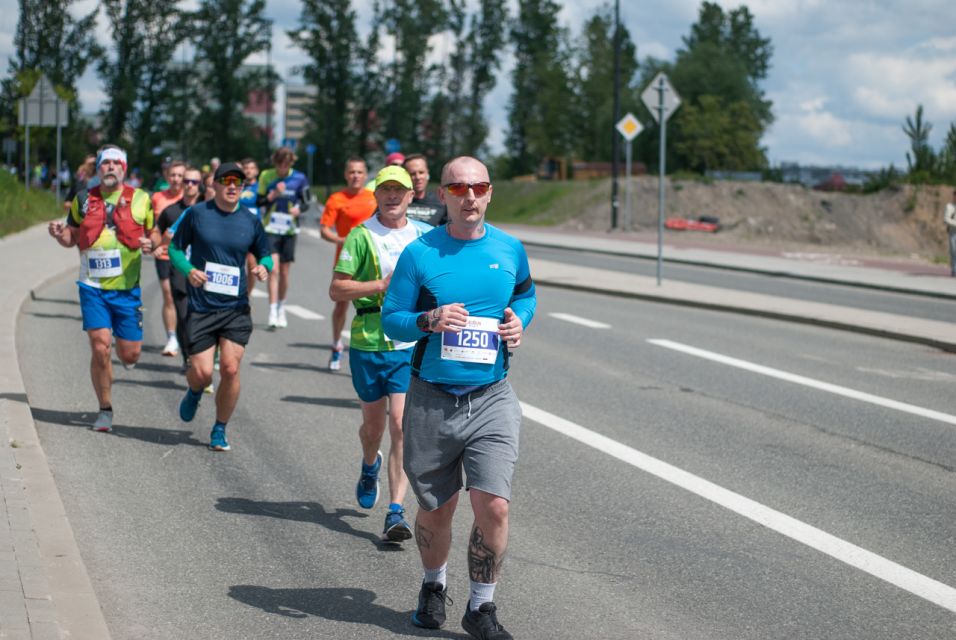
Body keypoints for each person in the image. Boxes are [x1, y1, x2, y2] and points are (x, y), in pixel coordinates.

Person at [381, 156, 536, 640]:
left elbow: (526, 295)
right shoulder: (421, 253)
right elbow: (391, 319)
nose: (469, 196)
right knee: (438, 508)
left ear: (490, 193)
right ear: (442, 195)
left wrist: (520, 320)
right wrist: (428, 320)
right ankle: (433, 584)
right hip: (432, 396)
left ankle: (481, 607)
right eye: (458, 188)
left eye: (479, 187)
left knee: (495, 505)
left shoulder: (510, 249)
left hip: (491, 396)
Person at [329, 166, 431, 542]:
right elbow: (337, 289)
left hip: (409, 343)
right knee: (373, 429)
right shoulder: (361, 235)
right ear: (376, 195)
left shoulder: (425, 236)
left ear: (410, 196)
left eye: (398, 190)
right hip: (369, 341)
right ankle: (369, 463)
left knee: (401, 425)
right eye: (385, 190)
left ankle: (395, 511)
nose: (392, 196)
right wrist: (380, 285)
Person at [47, 144, 158, 432]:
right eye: (105, 163)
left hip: (126, 289)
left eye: (116, 163)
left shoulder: (141, 199)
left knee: (130, 354)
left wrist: (152, 243)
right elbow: (72, 236)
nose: (110, 167)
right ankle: (105, 409)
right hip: (92, 286)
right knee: (100, 346)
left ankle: (125, 357)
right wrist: (60, 234)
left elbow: (154, 232)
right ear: (98, 169)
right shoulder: (83, 198)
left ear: (124, 169)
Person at [169, 162, 272, 451]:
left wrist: (264, 268)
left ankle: (220, 428)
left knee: (229, 368)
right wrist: (189, 270)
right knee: (202, 373)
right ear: (214, 184)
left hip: (235, 308)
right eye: (226, 181)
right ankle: (194, 390)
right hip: (202, 306)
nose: (232, 186)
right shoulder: (197, 214)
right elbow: (175, 249)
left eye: (238, 182)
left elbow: (265, 254)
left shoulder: (250, 220)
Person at [319, 158, 377, 370]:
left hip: (372, 261)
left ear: (365, 175)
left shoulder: (374, 198)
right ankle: (336, 345)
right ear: (346, 174)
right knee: (341, 305)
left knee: (375, 305)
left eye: (359, 172)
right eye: (352, 172)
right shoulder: (337, 199)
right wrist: (342, 240)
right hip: (346, 260)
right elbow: (324, 230)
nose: (355, 176)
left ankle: (374, 350)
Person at [257, 147, 312, 328]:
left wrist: (299, 209)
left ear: (291, 163)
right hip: (270, 228)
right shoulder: (266, 175)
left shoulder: (300, 178)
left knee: (285, 272)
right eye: (279, 164)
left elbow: (307, 202)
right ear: (275, 163)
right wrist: (273, 194)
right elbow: (259, 201)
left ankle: (281, 306)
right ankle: (272, 310)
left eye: (286, 165)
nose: (282, 168)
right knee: (273, 270)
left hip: (289, 229)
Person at [157, 166, 203, 370]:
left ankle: (208, 355)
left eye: (195, 182)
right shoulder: (171, 211)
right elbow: (157, 235)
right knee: (184, 317)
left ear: (200, 185)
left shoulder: (209, 209)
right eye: (187, 181)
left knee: (203, 318)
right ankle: (188, 358)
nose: (190, 185)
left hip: (205, 272)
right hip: (180, 271)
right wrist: (159, 243)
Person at [151, 160, 187, 357]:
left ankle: (187, 335)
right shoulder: (157, 198)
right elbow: (152, 227)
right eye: (173, 175)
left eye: (180, 175)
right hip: (164, 254)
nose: (176, 179)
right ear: (167, 176)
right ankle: (172, 337)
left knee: (185, 297)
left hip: (187, 256)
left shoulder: (190, 198)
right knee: (168, 294)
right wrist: (153, 242)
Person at [403, 153, 447, 226]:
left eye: (421, 172)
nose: (418, 177)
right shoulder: (397, 202)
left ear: (427, 173)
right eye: (412, 174)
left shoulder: (441, 202)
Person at [240, 158, 262, 296]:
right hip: (237, 229)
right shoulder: (237, 186)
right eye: (246, 168)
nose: (248, 171)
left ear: (257, 171)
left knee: (252, 264)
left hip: (254, 232)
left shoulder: (261, 188)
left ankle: (247, 296)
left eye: (251, 168)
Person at [945, 189, 956, 277]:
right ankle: (954, 270)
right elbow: (946, 219)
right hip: (953, 232)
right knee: (954, 251)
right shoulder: (950, 207)